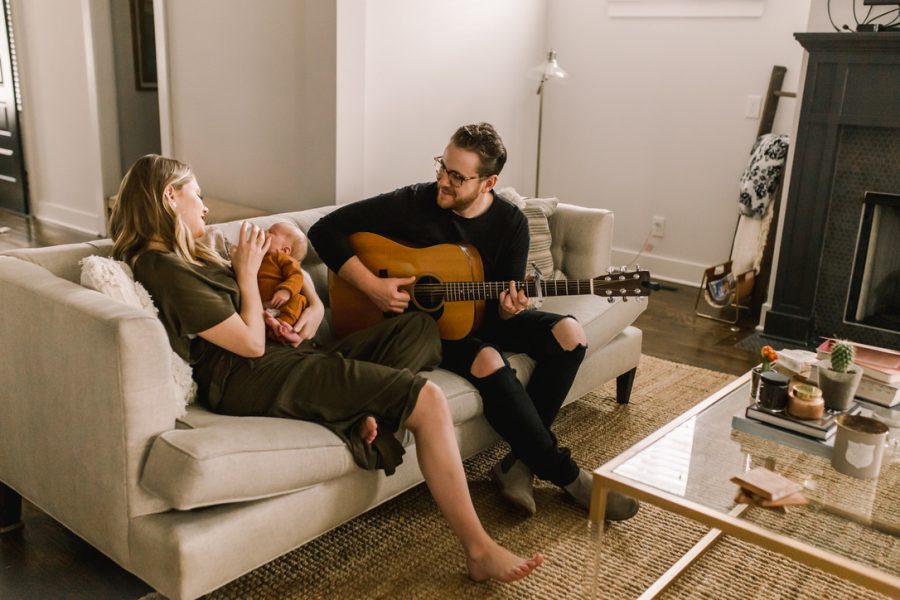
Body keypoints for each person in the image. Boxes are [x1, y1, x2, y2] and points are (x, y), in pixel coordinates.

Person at [109, 154, 543, 583]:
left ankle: (359, 411)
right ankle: (479, 550)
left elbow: (274, 306)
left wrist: (304, 312)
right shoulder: (160, 265)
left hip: (282, 357)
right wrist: (245, 275)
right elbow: (249, 344)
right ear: (170, 196)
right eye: (197, 195)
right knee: (426, 399)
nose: (205, 206)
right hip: (245, 376)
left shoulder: (192, 255)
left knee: (419, 328)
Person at [308, 123, 639, 521]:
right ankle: (566, 475)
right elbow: (324, 229)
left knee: (569, 334)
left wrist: (512, 309)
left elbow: (502, 310)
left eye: (457, 177)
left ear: (488, 182)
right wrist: (372, 287)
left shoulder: (511, 224)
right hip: (423, 329)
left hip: (483, 316)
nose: (442, 182)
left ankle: (519, 463)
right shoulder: (412, 202)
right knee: (488, 361)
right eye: (442, 167)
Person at [257, 221, 309, 347]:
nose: (264, 232)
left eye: (271, 232)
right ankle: (273, 329)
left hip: (282, 303)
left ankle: (282, 327)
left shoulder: (281, 258)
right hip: (261, 305)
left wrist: (286, 291)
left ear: (284, 250)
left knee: (299, 300)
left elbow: (297, 276)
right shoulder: (256, 255)